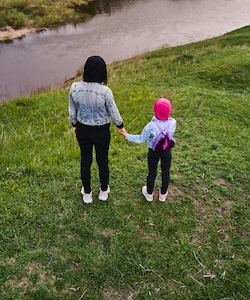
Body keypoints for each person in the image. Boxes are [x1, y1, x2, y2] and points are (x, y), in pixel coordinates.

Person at [69, 56, 126, 204]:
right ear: (102, 72)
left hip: (82, 130)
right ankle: (103, 191)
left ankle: (87, 193)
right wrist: (120, 126)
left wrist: (74, 124)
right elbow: (114, 112)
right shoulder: (105, 91)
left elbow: (72, 111)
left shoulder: (75, 87)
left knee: (85, 160)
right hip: (102, 132)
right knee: (102, 161)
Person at [118, 98, 176, 202]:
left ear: (155, 111)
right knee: (166, 172)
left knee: (152, 172)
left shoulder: (151, 126)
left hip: (153, 152)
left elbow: (140, 139)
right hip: (167, 151)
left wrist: (126, 135)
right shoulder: (173, 123)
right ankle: (163, 194)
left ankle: (149, 193)